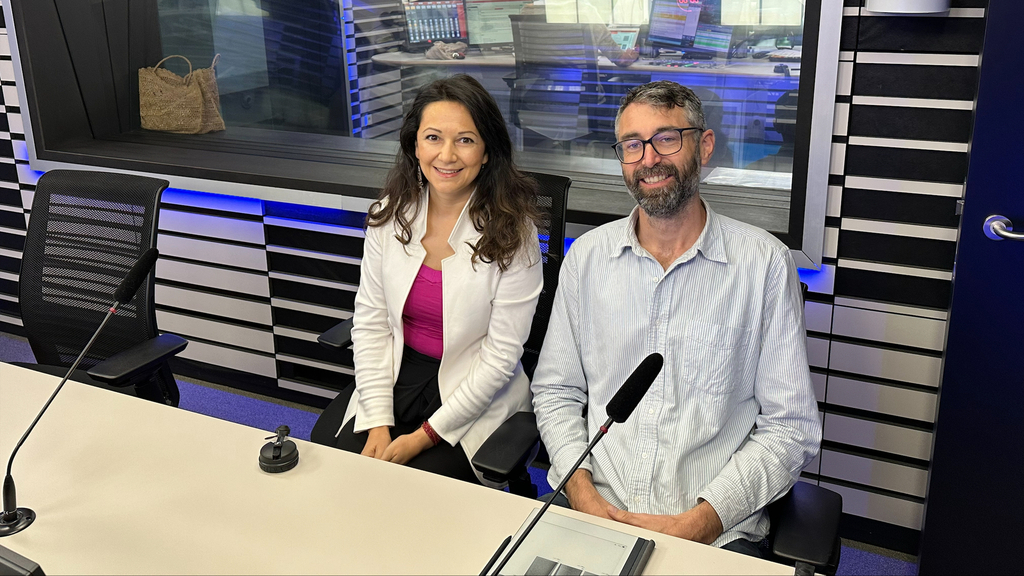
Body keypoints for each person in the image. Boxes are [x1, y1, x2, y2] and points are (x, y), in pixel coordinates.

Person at [530, 80, 821, 557]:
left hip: (716, 531)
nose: (648, 159)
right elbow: (556, 392)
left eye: (666, 138)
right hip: (595, 507)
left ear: (703, 146)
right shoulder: (587, 258)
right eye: (632, 145)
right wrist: (581, 493)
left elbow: (791, 429)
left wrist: (702, 522)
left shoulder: (764, 264)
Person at [315, 74, 543, 484]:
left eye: (465, 140)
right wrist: (378, 421)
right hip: (400, 370)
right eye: (433, 137)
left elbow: (500, 357)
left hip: (473, 385)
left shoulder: (515, 233)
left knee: (418, 488)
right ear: (415, 145)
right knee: (339, 465)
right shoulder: (389, 215)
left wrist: (423, 437)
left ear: (487, 152)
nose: (447, 155)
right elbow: (370, 323)